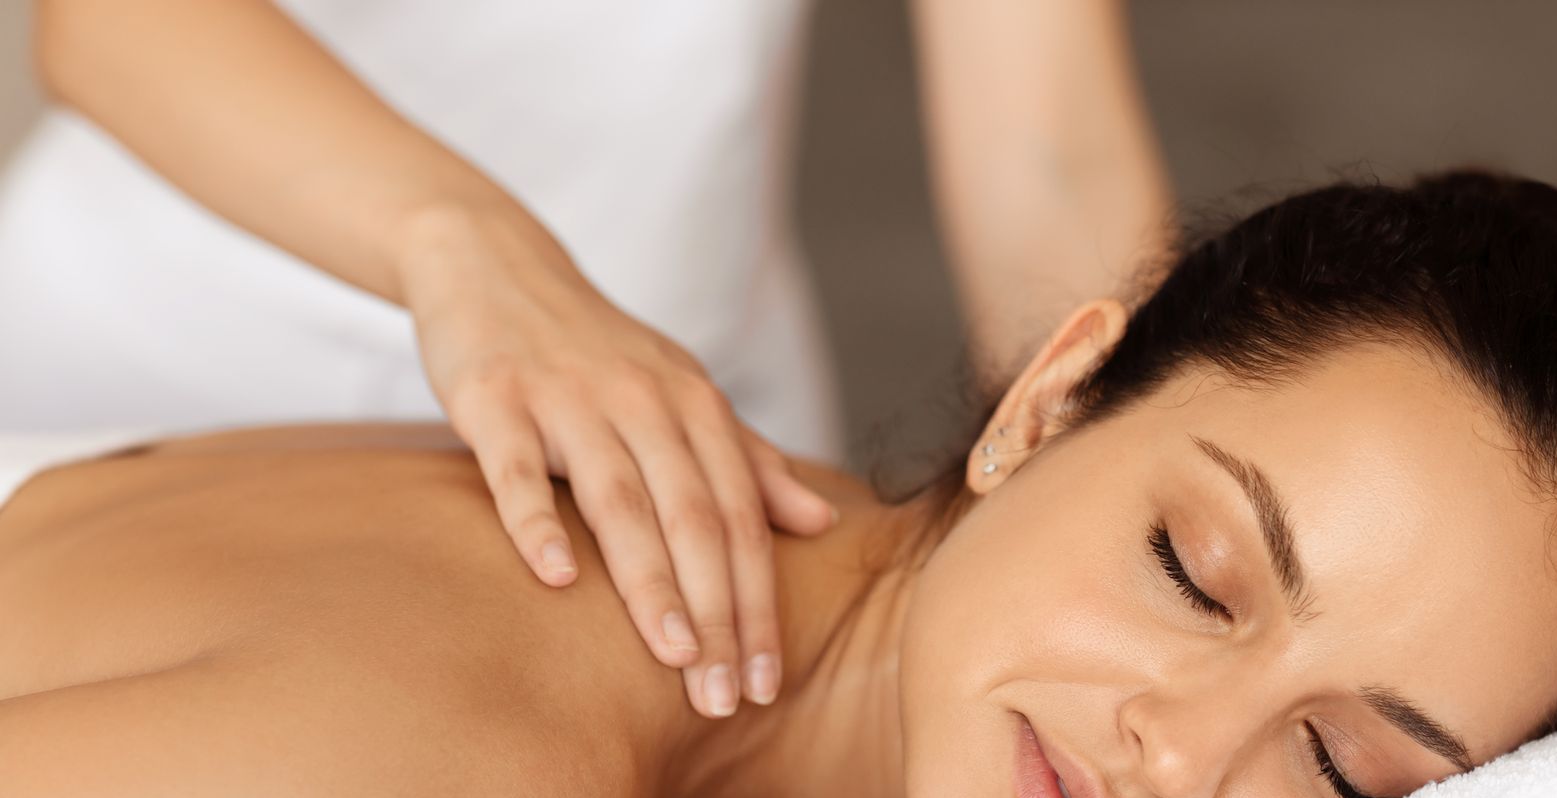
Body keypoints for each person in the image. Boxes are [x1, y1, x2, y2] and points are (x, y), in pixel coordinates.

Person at [0, 171, 1557, 798]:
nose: (1178, 754)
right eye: (1196, 575)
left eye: (1350, 774)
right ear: (1045, 403)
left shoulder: (786, 541)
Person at [0, 0, 1175, 718]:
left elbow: (1048, 153)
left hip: (678, 423)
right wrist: (468, 250)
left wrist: (1139, 503)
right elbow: (102, 14)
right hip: (154, 365)